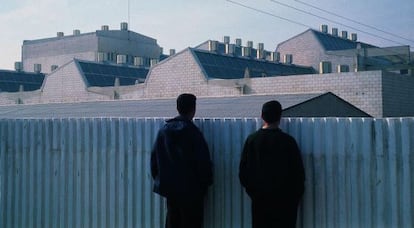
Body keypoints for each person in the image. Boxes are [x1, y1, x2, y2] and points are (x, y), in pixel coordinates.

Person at [239, 100, 305, 228]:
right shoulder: (288, 142)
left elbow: (244, 173)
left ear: (262, 116)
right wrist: (292, 198)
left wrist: (254, 193)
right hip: (285, 206)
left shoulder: (252, 140)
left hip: (260, 203)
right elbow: (298, 175)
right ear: (280, 117)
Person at [151, 93, 213, 228]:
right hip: (192, 192)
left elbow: (155, 162)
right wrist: (205, 184)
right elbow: (203, 163)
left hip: (171, 192)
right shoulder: (193, 133)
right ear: (193, 109)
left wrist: (161, 182)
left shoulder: (164, 131)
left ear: (177, 108)